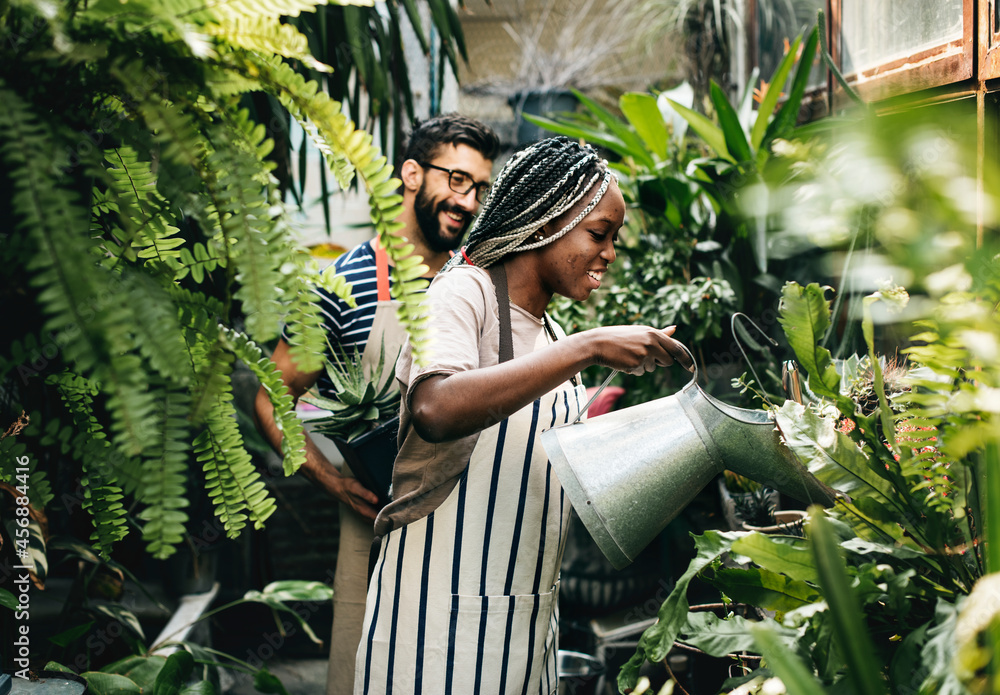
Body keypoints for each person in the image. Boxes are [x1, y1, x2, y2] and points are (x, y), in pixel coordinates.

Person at [355, 137, 692, 694]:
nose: (609, 252)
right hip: (437, 626)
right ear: (544, 224)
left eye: (614, 238)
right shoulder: (463, 294)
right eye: (598, 234)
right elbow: (434, 407)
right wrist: (589, 346)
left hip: (527, 621)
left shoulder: (551, 334)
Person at [253, 113, 500, 695]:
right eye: (456, 180)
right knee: (366, 672)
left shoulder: (481, 281)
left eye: (480, 188)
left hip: (469, 518)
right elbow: (272, 398)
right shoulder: (343, 283)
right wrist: (332, 481)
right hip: (375, 524)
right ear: (411, 175)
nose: (468, 201)